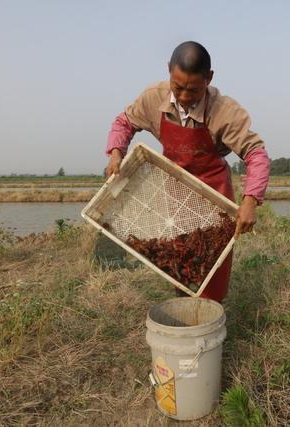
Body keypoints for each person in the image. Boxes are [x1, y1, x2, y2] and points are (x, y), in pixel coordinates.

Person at [105, 41, 270, 302]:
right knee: (178, 257)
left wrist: (250, 200)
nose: (183, 97)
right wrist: (116, 153)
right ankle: (183, 306)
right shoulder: (152, 98)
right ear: (169, 71)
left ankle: (209, 314)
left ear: (209, 78)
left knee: (213, 261)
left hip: (213, 189)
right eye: (177, 87)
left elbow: (256, 154)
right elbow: (124, 122)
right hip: (174, 186)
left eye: (193, 90)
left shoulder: (224, 111)